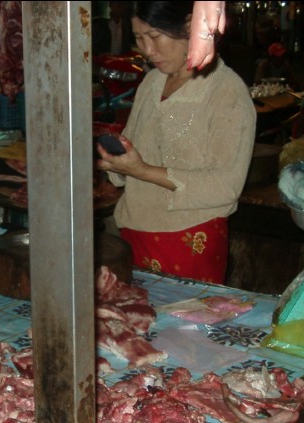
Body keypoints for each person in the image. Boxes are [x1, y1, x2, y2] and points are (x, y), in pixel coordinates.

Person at [97, 1, 256, 284]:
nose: (147, 50)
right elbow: (130, 162)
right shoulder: (152, 83)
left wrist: (142, 170)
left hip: (189, 240)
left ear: (188, 26)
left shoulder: (226, 90)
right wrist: (118, 162)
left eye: (155, 36)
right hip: (134, 232)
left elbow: (226, 186)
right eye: (139, 38)